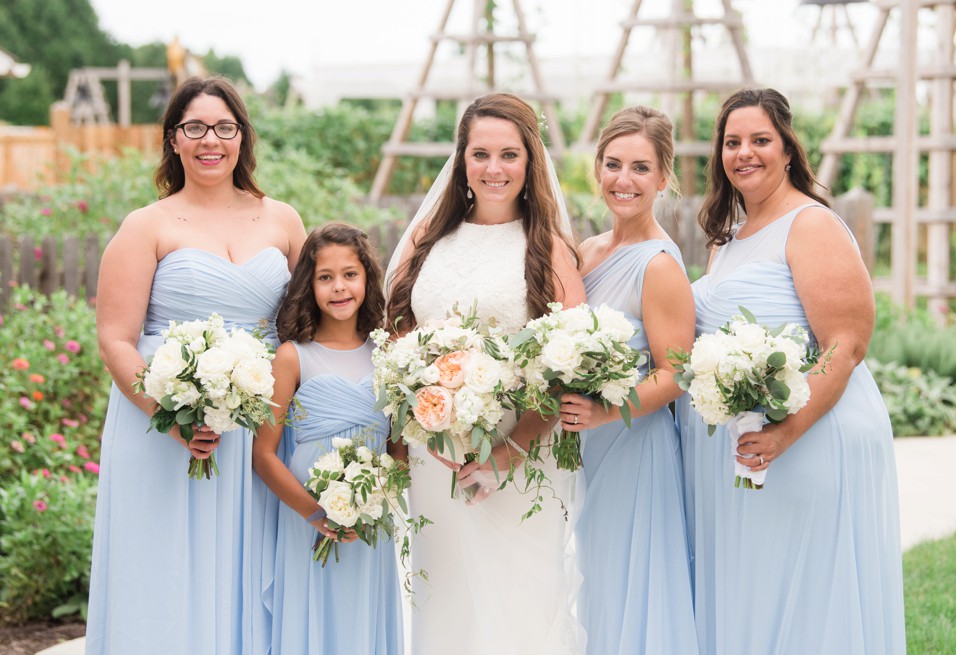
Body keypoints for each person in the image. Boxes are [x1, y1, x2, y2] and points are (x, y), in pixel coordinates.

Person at [677, 88, 906, 654]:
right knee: (755, 593)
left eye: (759, 140)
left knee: (801, 596)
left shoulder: (811, 225)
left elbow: (845, 344)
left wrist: (786, 432)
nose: (744, 153)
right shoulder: (728, 241)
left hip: (808, 437)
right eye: (732, 142)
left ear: (787, 149)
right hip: (748, 445)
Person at [86, 76, 308, 655]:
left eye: (224, 127)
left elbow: (310, 326)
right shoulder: (146, 225)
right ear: (174, 141)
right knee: (165, 568)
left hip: (259, 427)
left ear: (242, 138)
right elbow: (115, 338)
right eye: (195, 127)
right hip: (166, 426)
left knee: (251, 560)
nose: (211, 140)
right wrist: (170, 414)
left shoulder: (282, 220)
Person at [385, 92, 587, 655]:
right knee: (444, 603)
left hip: (517, 461)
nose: (493, 169)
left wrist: (506, 453)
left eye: (509, 155)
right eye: (480, 154)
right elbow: (398, 335)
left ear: (530, 163)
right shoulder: (427, 241)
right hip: (435, 457)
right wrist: (417, 432)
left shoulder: (548, 251)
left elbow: (569, 366)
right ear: (462, 161)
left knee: (516, 607)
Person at [559, 106, 698, 654]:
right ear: (597, 169)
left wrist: (604, 412)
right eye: (613, 164)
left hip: (634, 445)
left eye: (640, 168)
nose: (623, 179)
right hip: (585, 444)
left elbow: (678, 374)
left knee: (627, 581)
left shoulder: (659, 265)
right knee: (592, 582)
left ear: (663, 177)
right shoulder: (589, 251)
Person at [252, 223, 402, 655]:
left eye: (350, 274)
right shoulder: (292, 356)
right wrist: (316, 513)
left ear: (367, 279)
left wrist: (373, 499)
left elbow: (398, 450)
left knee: (362, 619)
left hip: (370, 519)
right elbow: (263, 455)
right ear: (309, 285)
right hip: (306, 516)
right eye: (325, 277)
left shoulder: (387, 355)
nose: (339, 287)